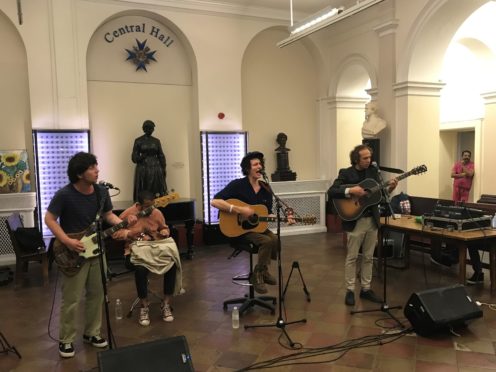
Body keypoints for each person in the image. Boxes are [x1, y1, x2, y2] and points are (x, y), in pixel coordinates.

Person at [45, 152, 137, 358]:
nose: (97, 170)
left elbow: (108, 215)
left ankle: (92, 333)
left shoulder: (101, 192)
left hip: (97, 250)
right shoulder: (64, 195)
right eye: (92, 167)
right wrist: (67, 241)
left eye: (96, 166)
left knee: (97, 294)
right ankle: (66, 339)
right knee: (71, 298)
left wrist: (124, 221)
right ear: (79, 173)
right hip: (73, 252)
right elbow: (50, 219)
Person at [211, 151, 294, 294]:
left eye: (260, 164)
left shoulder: (266, 189)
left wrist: (279, 217)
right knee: (266, 241)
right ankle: (258, 275)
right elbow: (214, 201)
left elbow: (266, 212)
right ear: (248, 169)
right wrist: (239, 209)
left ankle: (263, 270)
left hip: (257, 227)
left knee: (275, 239)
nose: (259, 166)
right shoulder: (237, 185)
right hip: (239, 230)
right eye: (255, 164)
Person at [328, 144, 398, 306]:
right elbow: (332, 191)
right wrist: (351, 190)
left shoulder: (373, 173)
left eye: (370, 157)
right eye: (365, 158)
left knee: (368, 257)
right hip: (355, 221)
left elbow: (377, 197)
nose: (369, 160)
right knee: (352, 257)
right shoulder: (346, 173)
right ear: (356, 159)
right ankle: (350, 290)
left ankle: (366, 288)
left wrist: (390, 190)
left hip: (372, 220)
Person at [112, 190, 183, 326]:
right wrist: (130, 233)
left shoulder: (157, 212)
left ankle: (166, 304)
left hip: (155, 249)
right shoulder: (128, 213)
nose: (151, 210)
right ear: (139, 205)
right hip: (135, 250)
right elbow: (115, 234)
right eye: (147, 207)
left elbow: (164, 228)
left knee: (172, 263)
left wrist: (164, 231)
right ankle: (144, 306)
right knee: (141, 269)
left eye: (152, 206)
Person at [132, 120, 168, 201]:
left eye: (152, 129)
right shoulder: (138, 140)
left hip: (155, 168)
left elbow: (161, 155)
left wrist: (163, 168)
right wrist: (142, 156)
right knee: (145, 189)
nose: (151, 130)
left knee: (155, 191)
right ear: (144, 129)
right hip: (143, 169)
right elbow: (134, 158)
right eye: (149, 128)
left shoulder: (156, 141)